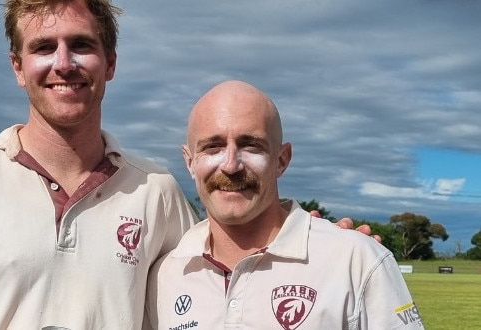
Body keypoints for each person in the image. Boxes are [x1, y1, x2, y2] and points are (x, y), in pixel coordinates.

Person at [0, 0, 196, 329]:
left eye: (81, 44)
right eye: (43, 47)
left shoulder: (157, 191)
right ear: (18, 67)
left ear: (110, 63)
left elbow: (195, 309)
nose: (64, 63)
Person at [145, 80, 424, 329]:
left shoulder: (357, 260)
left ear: (282, 159)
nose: (230, 165)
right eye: (213, 147)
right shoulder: (165, 275)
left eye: (250, 145)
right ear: (190, 161)